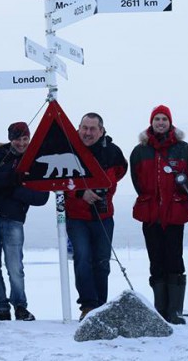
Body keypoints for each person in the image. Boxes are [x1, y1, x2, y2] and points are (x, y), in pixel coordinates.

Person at [130, 105, 188, 324]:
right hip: (150, 214)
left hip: (175, 214)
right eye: (157, 119)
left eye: (164, 119)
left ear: (170, 123)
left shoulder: (184, 149)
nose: (160, 123)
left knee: (175, 260)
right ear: (151, 122)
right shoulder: (140, 150)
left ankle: (174, 311)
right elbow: (137, 181)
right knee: (156, 261)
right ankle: (161, 309)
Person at [0, 122, 49, 321]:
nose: (22, 143)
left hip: (14, 220)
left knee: (15, 267)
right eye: (18, 139)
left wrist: (11, 187)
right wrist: (16, 179)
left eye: (25, 138)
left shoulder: (36, 160)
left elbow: (41, 197)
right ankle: (1, 308)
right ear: (11, 138)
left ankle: (20, 306)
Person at [65, 112, 128, 320]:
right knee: (82, 259)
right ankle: (88, 306)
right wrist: (81, 193)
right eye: (84, 128)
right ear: (78, 128)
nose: (87, 133)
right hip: (77, 217)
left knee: (102, 261)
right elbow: (57, 181)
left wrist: (103, 193)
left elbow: (119, 173)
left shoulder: (113, 152)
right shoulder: (67, 148)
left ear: (101, 131)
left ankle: (101, 305)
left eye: (93, 129)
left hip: (104, 216)